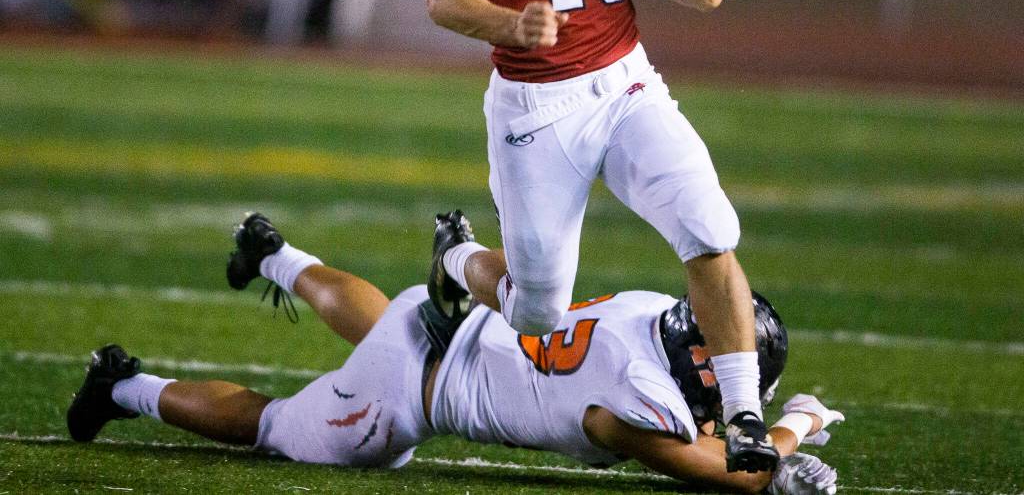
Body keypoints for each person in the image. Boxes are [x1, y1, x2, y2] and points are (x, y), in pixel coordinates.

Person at [415, 0, 773, 470]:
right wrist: (509, 24)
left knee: (709, 226)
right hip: (535, 107)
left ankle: (744, 414)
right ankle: (454, 258)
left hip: (623, 84)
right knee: (538, 315)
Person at [66, 213, 844, 494]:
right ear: (703, 362)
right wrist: (797, 427)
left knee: (386, 319)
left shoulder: (647, 315)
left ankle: (274, 254)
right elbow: (730, 473)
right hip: (409, 392)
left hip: (452, 324)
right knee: (271, 428)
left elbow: (702, 435)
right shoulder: (634, 404)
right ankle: (125, 383)